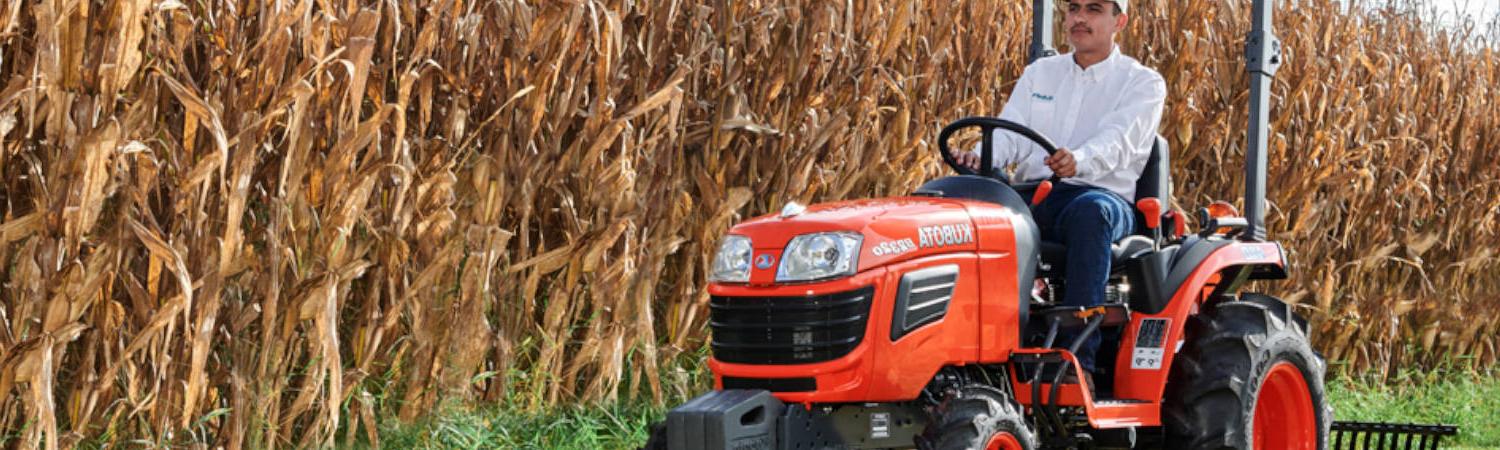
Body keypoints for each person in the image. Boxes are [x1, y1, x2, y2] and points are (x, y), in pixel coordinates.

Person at [955, 0, 1166, 391]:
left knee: (1091, 213)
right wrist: (980, 157)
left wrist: (1080, 160)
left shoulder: (1142, 83)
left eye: (1093, 9)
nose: (1079, 18)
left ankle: (1077, 360)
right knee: (965, 209)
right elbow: (1009, 135)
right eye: (1072, 8)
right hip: (1036, 196)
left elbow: (1121, 140)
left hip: (1102, 196)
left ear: (1119, 21)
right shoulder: (1042, 74)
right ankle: (969, 350)